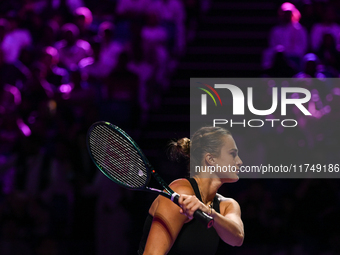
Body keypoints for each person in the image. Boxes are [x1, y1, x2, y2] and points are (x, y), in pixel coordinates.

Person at [138, 126, 244, 255]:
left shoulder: (227, 205)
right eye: (232, 154)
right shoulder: (180, 192)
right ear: (211, 159)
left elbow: (237, 238)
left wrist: (210, 213)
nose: (239, 162)